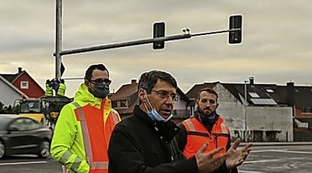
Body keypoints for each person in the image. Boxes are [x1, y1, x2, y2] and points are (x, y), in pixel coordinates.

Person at [108, 70, 251, 173]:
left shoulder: (168, 132)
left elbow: (183, 167)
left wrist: (223, 166)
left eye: (173, 96)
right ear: (142, 95)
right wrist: (193, 166)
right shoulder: (125, 131)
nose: (170, 102)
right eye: (163, 94)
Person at [51, 64, 121, 173]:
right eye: (98, 81)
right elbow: (58, 149)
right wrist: (84, 169)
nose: (103, 84)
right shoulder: (72, 110)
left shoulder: (114, 115)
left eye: (107, 81)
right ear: (87, 83)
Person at [177, 88, 240, 172]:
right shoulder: (184, 127)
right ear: (197, 103)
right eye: (204, 101)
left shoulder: (224, 130)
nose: (207, 105)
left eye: (212, 102)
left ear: (216, 105)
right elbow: (176, 161)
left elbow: (228, 159)